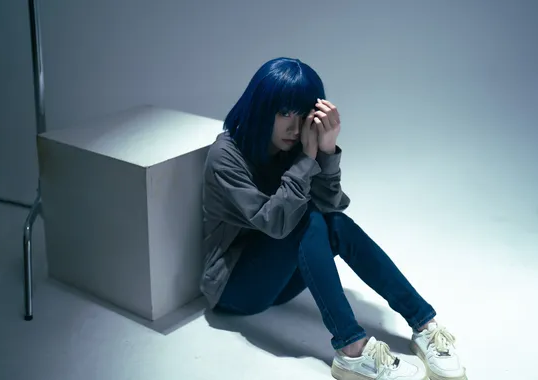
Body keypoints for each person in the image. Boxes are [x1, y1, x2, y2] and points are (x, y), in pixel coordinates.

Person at [199, 57, 467, 380]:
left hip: (279, 281)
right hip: (234, 288)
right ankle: (351, 349)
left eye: (302, 115)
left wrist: (326, 151)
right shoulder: (226, 156)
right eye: (284, 113)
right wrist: (308, 159)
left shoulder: (293, 146)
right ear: (261, 107)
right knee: (306, 221)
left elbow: (331, 206)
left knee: (334, 224)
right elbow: (277, 223)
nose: (295, 127)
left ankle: (424, 324)